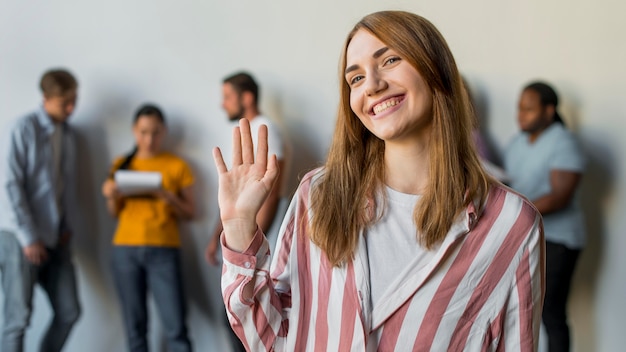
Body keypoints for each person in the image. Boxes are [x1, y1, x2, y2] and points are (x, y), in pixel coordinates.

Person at [212, 11, 545, 351]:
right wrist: (239, 228)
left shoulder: (512, 223)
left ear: (437, 71)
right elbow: (272, 337)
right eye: (355, 79)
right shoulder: (318, 193)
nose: (371, 85)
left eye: (389, 60)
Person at [101, 104, 195, 352]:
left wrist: (169, 198)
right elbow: (114, 213)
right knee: (135, 328)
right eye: (143, 132)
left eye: (155, 133)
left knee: (176, 326)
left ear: (163, 132)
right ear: (134, 131)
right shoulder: (122, 164)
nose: (149, 139)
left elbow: (190, 212)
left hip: (164, 248)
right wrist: (110, 196)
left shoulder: (176, 165)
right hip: (125, 248)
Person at [0, 68, 81, 352]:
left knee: (69, 311)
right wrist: (28, 237)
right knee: (18, 319)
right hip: (20, 238)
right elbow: (10, 186)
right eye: (64, 103)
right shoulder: (22, 128)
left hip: (56, 237)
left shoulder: (68, 134)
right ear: (45, 98)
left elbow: (63, 186)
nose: (71, 109)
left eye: (74, 101)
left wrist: (67, 225)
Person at [204, 72, 286, 352]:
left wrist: (249, 244)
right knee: (232, 313)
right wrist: (219, 236)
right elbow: (233, 198)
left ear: (247, 97)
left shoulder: (264, 129)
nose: (222, 104)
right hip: (240, 241)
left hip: (255, 242)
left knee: (246, 316)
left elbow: (269, 193)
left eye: (227, 97)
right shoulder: (245, 131)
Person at [504, 81, 585, 352]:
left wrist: (517, 213)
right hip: (526, 236)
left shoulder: (563, 141)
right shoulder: (517, 142)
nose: (521, 115)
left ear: (549, 111)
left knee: (550, 312)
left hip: (558, 239)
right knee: (523, 310)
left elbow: (560, 196)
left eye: (529, 108)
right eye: (519, 108)